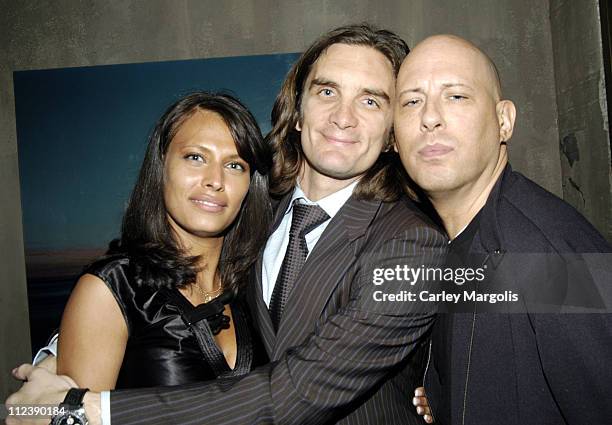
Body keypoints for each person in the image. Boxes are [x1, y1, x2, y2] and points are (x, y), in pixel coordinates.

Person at [7, 24, 448, 425]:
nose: (343, 116)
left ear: (394, 132)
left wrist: (84, 408)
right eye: (327, 92)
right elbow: (143, 296)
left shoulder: (411, 244)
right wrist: (60, 355)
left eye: (370, 100)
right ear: (297, 112)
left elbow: (294, 393)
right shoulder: (259, 214)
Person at [394, 34, 612, 424]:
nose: (429, 117)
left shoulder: (543, 255)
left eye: (456, 96)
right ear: (394, 137)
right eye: (411, 101)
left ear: (503, 121)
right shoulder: (448, 242)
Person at [58, 91, 273, 391]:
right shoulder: (114, 289)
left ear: (251, 184)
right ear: (162, 167)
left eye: (234, 165)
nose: (215, 180)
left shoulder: (256, 286)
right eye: (195, 157)